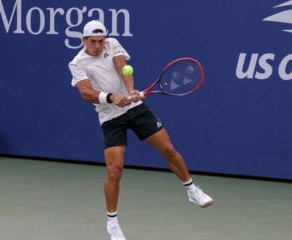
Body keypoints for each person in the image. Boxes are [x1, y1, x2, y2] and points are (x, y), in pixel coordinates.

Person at [68, 20, 213, 240]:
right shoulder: (77, 63)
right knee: (114, 170)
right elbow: (86, 93)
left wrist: (129, 90)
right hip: (110, 118)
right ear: (83, 41)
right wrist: (112, 97)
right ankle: (113, 223)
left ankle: (191, 189)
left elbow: (122, 66)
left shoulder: (112, 44)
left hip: (136, 109)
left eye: (101, 40)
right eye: (93, 41)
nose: (98, 45)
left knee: (169, 149)